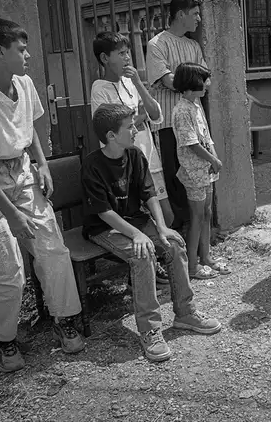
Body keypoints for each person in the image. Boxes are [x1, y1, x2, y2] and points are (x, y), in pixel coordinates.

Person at [0, 17, 85, 372]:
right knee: (8, 271)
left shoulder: (24, 83)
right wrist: (12, 214)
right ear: (0, 52)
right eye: (21, 49)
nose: (28, 55)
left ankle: (64, 319)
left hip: (22, 172)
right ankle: (4, 341)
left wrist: (43, 163)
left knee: (52, 248)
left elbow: (32, 128)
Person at [81, 103, 221, 362]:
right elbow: (103, 213)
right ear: (111, 136)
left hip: (137, 221)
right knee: (142, 254)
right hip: (105, 228)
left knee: (174, 244)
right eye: (130, 126)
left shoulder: (135, 155)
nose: (136, 129)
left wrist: (162, 227)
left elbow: (149, 194)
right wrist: (136, 235)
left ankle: (185, 313)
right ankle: (150, 330)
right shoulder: (92, 166)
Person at [90, 31, 172, 286]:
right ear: (105, 58)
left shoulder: (131, 82)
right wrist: (136, 118)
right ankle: (144, 270)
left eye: (128, 52)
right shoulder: (99, 89)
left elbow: (156, 114)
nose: (127, 58)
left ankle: (152, 264)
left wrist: (138, 85)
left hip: (146, 151)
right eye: (121, 53)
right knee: (136, 215)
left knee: (165, 214)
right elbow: (107, 129)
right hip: (123, 161)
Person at [146, 0, 207, 233]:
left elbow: (207, 82)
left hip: (195, 122)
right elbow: (167, 81)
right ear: (180, 14)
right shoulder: (157, 44)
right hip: (168, 123)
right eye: (194, 14)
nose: (199, 19)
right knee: (174, 175)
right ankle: (179, 231)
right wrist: (194, 80)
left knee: (196, 173)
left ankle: (197, 230)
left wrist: (186, 80)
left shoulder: (193, 45)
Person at [171, 63, 230, 280]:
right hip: (193, 171)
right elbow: (191, 143)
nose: (207, 84)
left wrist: (214, 160)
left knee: (207, 213)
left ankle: (206, 257)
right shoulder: (181, 110)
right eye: (204, 80)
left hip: (206, 170)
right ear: (191, 82)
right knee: (196, 216)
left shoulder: (196, 105)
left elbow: (206, 136)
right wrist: (213, 159)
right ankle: (192, 266)